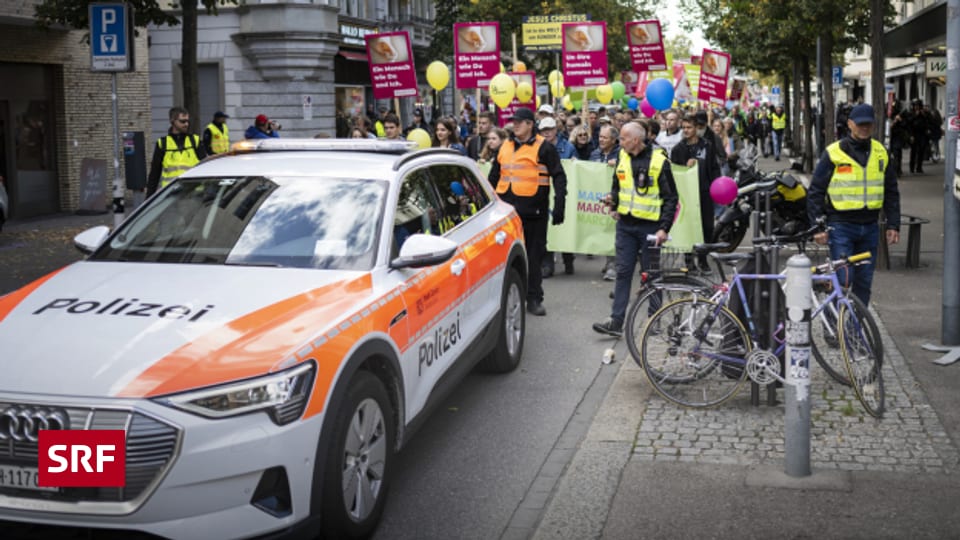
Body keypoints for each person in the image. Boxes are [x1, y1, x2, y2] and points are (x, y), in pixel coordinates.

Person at [807, 103, 900, 307]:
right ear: (850, 124)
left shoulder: (881, 152)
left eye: (868, 124)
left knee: (864, 282)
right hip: (841, 225)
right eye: (860, 124)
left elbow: (891, 191)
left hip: (870, 226)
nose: (864, 128)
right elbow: (815, 191)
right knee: (843, 279)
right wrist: (817, 226)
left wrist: (893, 224)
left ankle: (855, 330)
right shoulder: (834, 153)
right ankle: (834, 323)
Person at [592, 122, 678, 337]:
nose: (619, 142)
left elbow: (671, 198)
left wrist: (664, 228)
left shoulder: (659, 162)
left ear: (636, 140)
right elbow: (617, 185)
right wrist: (613, 202)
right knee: (623, 272)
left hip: (650, 227)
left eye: (623, 138)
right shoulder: (622, 156)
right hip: (626, 226)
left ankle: (654, 319)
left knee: (652, 275)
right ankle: (616, 321)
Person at [488, 107, 567, 316]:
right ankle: (506, 299)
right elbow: (494, 176)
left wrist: (560, 205)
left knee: (533, 257)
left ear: (530, 124)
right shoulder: (505, 146)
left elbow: (559, 176)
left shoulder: (544, 148)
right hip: (506, 214)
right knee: (504, 258)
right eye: (513, 121)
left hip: (534, 213)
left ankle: (533, 298)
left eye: (519, 122)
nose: (515, 125)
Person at [671, 112, 722, 273]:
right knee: (688, 227)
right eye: (684, 127)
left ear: (696, 128)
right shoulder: (678, 149)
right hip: (687, 195)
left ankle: (703, 259)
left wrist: (716, 185)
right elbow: (674, 171)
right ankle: (689, 260)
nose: (686, 130)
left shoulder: (707, 145)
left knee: (707, 227)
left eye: (689, 127)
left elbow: (714, 167)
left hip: (705, 192)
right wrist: (685, 166)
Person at [146, 106, 206, 196]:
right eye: (182, 121)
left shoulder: (195, 141)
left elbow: (205, 167)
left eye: (187, 121)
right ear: (172, 121)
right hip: (171, 195)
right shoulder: (163, 143)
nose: (186, 124)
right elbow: (155, 173)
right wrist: (149, 198)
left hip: (194, 193)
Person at [907, 100, 928, 174]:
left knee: (921, 151)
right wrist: (915, 115)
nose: (917, 107)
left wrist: (923, 115)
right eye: (915, 106)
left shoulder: (923, 114)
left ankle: (919, 167)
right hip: (914, 134)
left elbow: (927, 122)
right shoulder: (911, 113)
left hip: (922, 135)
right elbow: (909, 122)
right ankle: (911, 167)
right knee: (913, 151)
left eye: (918, 106)